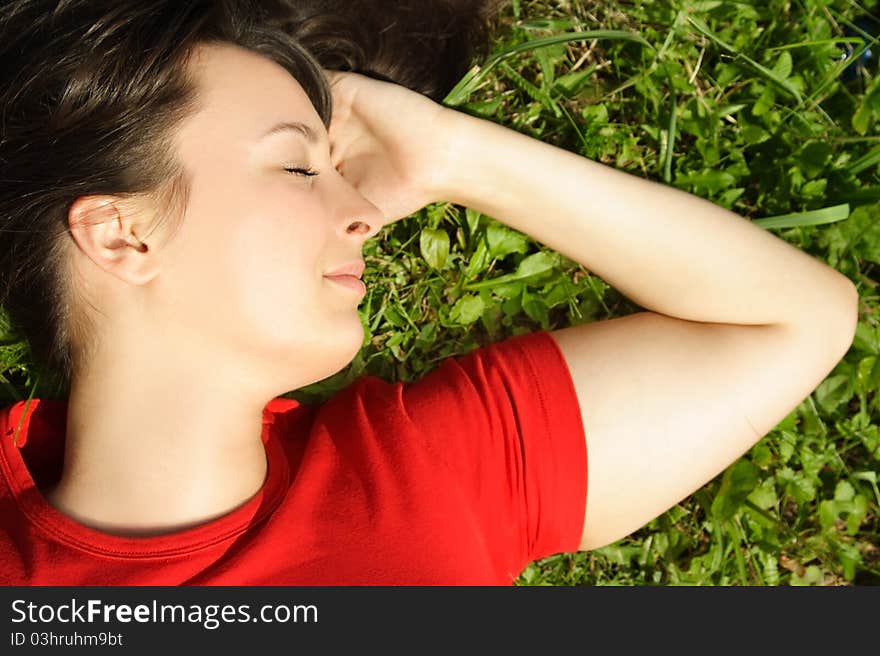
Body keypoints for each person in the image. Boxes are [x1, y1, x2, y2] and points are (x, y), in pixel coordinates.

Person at [0, 0, 858, 586]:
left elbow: (794, 318)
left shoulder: (425, 473)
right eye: (300, 167)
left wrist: (452, 157)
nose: (365, 213)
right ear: (122, 233)